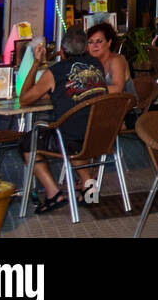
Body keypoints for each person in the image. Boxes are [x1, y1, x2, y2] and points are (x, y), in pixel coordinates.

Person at [19, 27, 108, 212]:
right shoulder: (96, 65)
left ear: (61, 50)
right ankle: (89, 190)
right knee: (74, 131)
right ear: (85, 48)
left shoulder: (56, 71)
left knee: (29, 141)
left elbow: (24, 98)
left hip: (71, 139)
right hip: (98, 136)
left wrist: (36, 63)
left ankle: (53, 193)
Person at [86, 23, 134, 98]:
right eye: (90, 42)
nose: (94, 46)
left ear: (109, 43)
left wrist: (88, 92)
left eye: (99, 41)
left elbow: (117, 88)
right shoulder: (90, 63)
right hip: (103, 106)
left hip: (125, 107)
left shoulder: (116, 60)